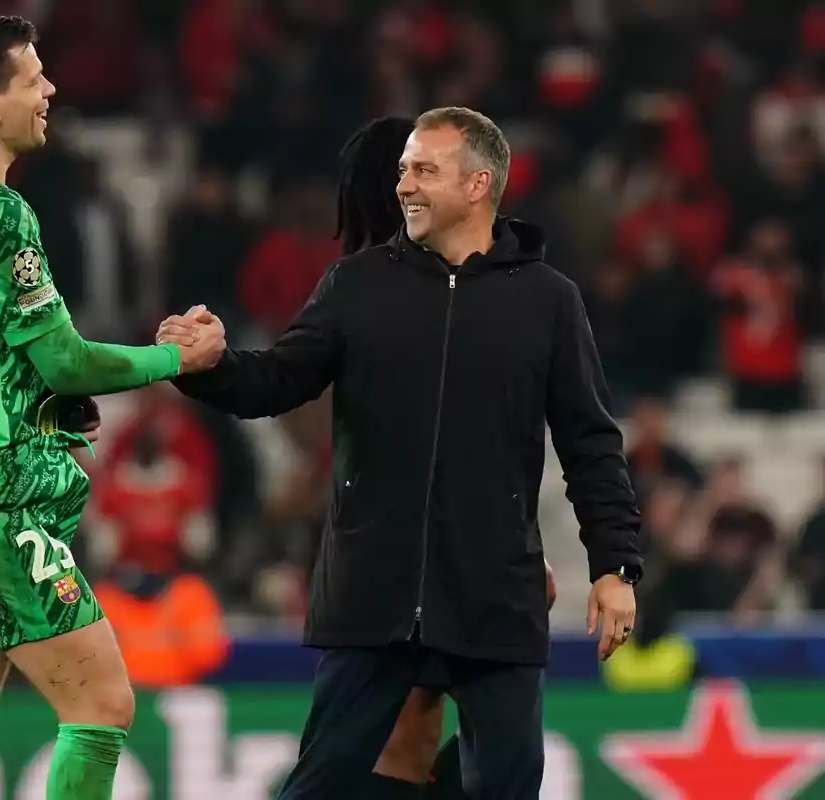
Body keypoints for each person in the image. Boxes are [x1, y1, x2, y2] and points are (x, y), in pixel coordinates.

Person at [159, 107, 643, 799]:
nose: (404, 187)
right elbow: (277, 381)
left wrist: (615, 564)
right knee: (321, 786)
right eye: (401, 170)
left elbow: (590, 440)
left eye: (423, 171)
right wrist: (203, 364)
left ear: (479, 185)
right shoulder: (356, 283)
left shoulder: (547, 301)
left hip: (491, 592)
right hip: (375, 592)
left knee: (506, 788)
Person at [0, 17, 224, 800]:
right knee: (101, 703)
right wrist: (179, 358)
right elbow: (66, 357)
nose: (50, 91)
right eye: (33, 79)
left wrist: (45, 406)